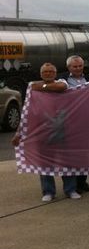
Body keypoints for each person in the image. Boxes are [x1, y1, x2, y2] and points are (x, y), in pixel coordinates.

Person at [11, 63, 80, 201]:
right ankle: (48, 192)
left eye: (51, 71)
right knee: (44, 163)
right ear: (41, 73)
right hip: (41, 131)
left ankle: (70, 189)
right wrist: (18, 133)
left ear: (55, 73)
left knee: (67, 161)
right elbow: (26, 112)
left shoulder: (60, 83)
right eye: (45, 72)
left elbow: (62, 87)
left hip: (61, 129)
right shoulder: (32, 86)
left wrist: (41, 87)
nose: (48, 73)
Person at [60, 55, 89, 194]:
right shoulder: (62, 79)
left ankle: (82, 182)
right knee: (70, 156)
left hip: (86, 122)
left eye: (80, 66)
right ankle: (71, 185)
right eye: (75, 66)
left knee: (84, 155)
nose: (78, 68)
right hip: (69, 123)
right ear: (69, 67)